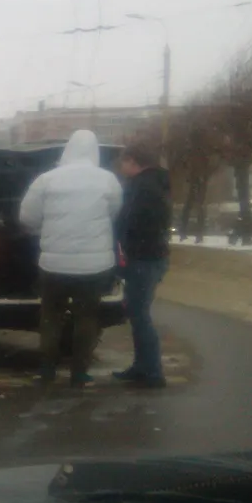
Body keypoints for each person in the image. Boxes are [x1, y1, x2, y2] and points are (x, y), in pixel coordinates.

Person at [19, 129, 123, 388]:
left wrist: (43, 230)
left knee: (51, 317)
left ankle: (47, 370)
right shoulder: (108, 180)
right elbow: (114, 213)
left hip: (54, 266)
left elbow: (27, 217)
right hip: (94, 267)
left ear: (68, 150)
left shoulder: (47, 179)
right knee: (86, 318)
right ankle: (79, 373)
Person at [114, 143, 172, 389]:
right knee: (137, 313)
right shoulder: (156, 183)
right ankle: (142, 366)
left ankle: (152, 372)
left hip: (144, 258)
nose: (121, 167)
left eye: (123, 162)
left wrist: (122, 236)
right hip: (151, 256)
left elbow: (133, 221)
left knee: (139, 314)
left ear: (133, 161)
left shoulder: (143, 187)